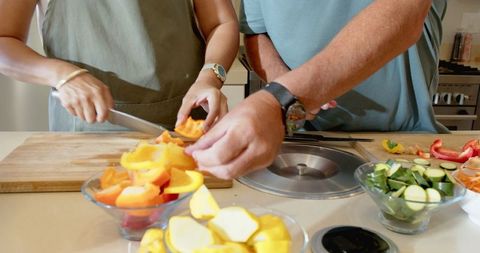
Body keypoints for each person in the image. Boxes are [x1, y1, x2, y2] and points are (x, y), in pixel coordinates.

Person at [186, 0, 449, 179]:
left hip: (401, 143)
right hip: (301, 143)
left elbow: (406, 12)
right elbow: (256, 33)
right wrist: (285, 87)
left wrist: (284, 97)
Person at [0, 0, 238, 131]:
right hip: (84, 132)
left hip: (185, 123)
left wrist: (210, 77)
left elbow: (221, 22)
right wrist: (62, 75)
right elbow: (4, 39)